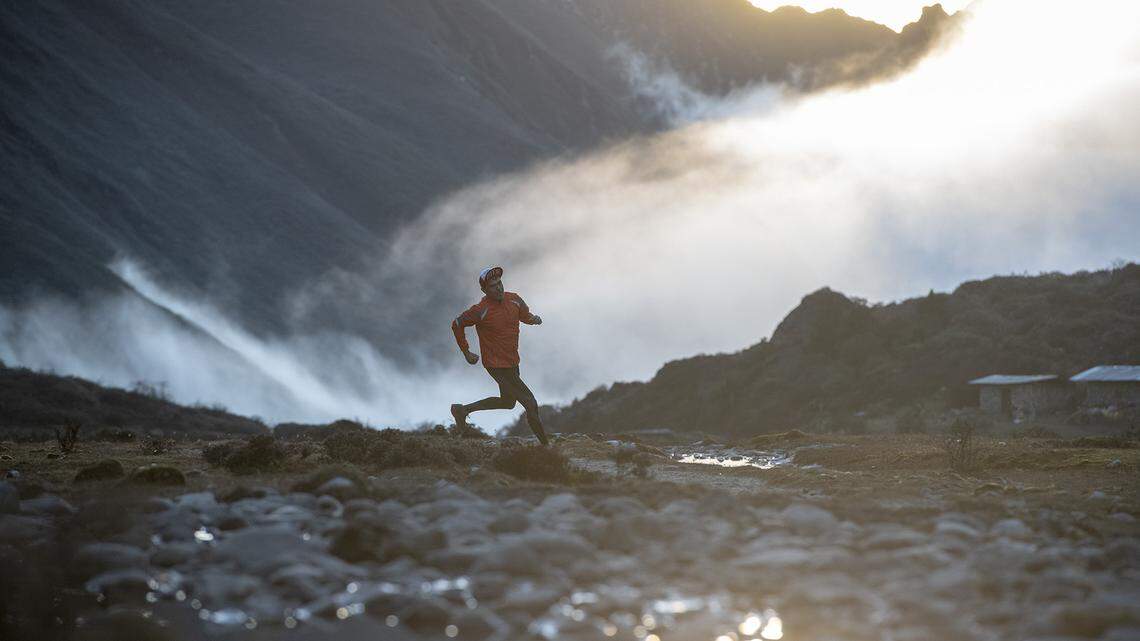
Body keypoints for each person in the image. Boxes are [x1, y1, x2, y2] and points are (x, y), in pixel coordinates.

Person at [450, 266, 550, 445]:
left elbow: (524, 316)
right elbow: (457, 324)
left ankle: (462, 410)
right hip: (496, 365)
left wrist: (533, 319)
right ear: (484, 290)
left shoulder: (515, 300)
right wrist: (466, 352)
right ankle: (547, 447)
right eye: (492, 286)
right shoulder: (481, 310)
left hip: (512, 361)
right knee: (531, 403)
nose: (498, 288)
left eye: (499, 283)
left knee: (508, 402)